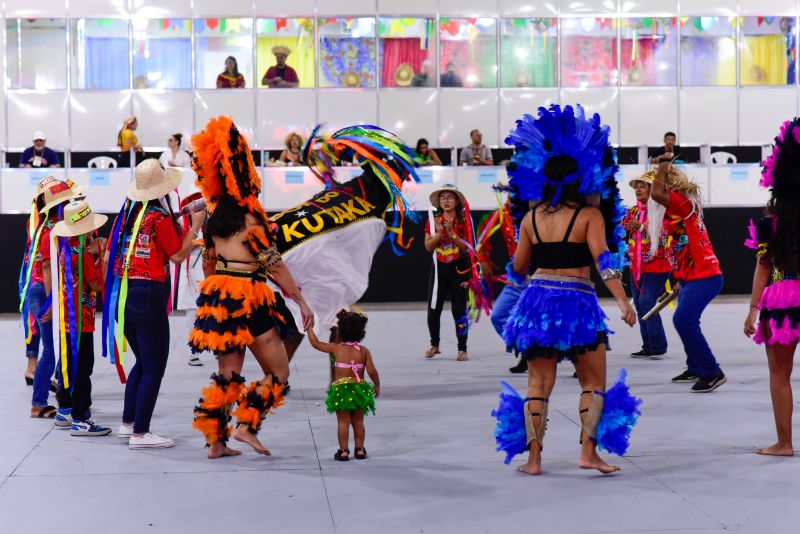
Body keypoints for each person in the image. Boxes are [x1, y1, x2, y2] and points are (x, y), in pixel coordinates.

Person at [497, 104, 637, 476]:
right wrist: (623, 301)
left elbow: (520, 267)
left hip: (536, 302)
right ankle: (588, 454)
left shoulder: (530, 217)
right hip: (577, 301)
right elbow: (605, 263)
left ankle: (534, 460)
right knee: (593, 381)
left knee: (538, 382)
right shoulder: (589, 216)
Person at [190, 116, 313, 460]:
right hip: (250, 297)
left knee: (228, 373)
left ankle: (216, 442)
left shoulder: (215, 221)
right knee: (278, 372)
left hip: (220, 299)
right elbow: (274, 262)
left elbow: (209, 264)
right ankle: (246, 426)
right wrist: (300, 299)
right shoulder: (252, 219)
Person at [104, 159, 203, 449]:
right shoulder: (158, 218)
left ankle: (128, 423)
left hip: (123, 295)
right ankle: (141, 433)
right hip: (148, 295)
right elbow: (176, 255)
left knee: (143, 363)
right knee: (154, 366)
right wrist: (194, 227)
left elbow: (112, 255)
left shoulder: (127, 218)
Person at [743, 117, 800, 457]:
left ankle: (785, 443)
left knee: (780, 374)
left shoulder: (771, 222)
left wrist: (752, 309)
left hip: (782, 296)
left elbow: (762, 266)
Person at [649, 161, 726, 392]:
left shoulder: (682, 204)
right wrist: (676, 282)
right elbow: (679, 251)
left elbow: (656, 192)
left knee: (683, 320)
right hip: (690, 277)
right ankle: (695, 367)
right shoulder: (675, 213)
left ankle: (712, 371)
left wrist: (662, 167)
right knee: (687, 320)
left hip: (705, 276)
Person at [51, 199, 111, 436]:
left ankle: (64, 410)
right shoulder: (84, 255)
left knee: (68, 365)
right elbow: (96, 284)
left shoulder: (68, 248)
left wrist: (92, 251)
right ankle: (81, 417)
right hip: (81, 320)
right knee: (83, 367)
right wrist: (104, 258)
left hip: (66, 318)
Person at [25, 180, 83, 418]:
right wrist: (51, 302)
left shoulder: (45, 226)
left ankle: (52, 398)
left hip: (40, 289)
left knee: (54, 348)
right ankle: (38, 403)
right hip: (44, 290)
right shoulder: (52, 229)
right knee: (51, 349)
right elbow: (48, 267)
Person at [306, 310, 380, 461]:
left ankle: (344, 451)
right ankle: (359, 449)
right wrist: (377, 386)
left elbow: (315, 343)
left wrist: (308, 328)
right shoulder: (364, 351)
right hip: (359, 389)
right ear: (362, 332)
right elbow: (372, 371)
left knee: (343, 422)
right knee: (358, 421)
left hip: (342, 390)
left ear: (339, 331)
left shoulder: (336, 348)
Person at [622, 171, 671, 359]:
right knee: (641, 306)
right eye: (636, 187)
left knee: (646, 303)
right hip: (636, 265)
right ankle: (648, 345)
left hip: (657, 265)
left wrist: (640, 227)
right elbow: (624, 231)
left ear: (652, 190)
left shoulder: (661, 211)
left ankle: (659, 345)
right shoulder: (633, 211)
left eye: (642, 186)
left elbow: (665, 235)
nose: (637, 190)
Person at [424, 184, 472, 361]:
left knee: (459, 310)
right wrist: (438, 233)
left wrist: (451, 232)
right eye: (442, 198)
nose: (446, 200)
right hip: (439, 270)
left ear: (457, 201)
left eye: (450, 197)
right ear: (438, 201)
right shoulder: (432, 220)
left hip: (459, 269)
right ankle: (434, 345)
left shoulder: (465, 220)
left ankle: (462, 348)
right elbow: (428, 247)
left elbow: (466, 249)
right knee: (433, 309)